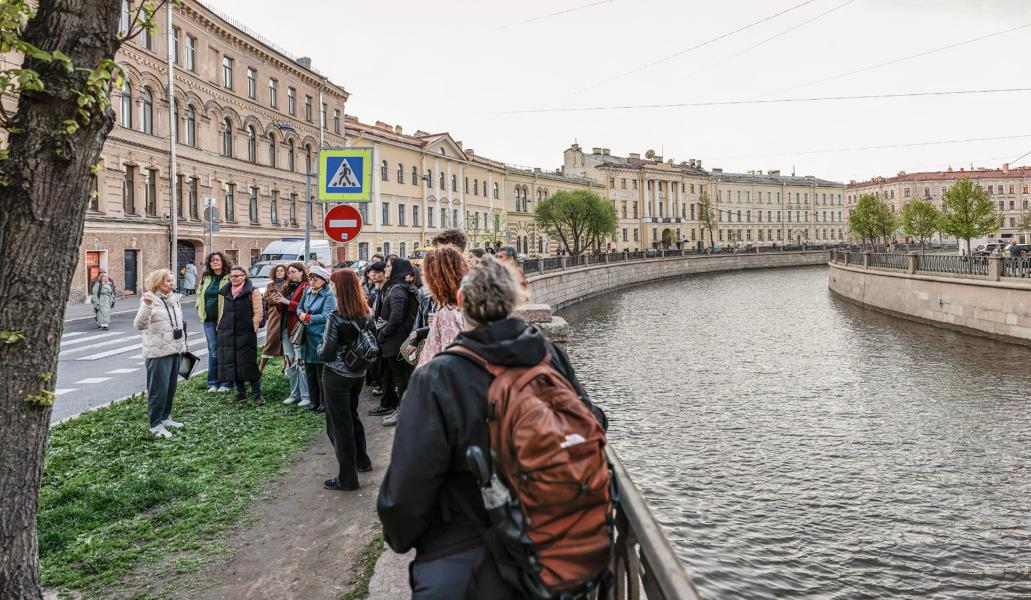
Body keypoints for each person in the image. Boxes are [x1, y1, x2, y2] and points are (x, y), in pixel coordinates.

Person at [377, 256, 606, 599]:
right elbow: (594, 422)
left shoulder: (437, 377)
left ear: (459, 302)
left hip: (465, 558)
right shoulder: (549, 356)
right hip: (551, 547)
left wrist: (402, 537)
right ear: (517, 302)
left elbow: (409, 483)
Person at [318, 269, 374, 491]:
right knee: (352, 416)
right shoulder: (367, 312)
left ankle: (347, 478)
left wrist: (318, 347)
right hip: (358, 372)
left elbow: (327, 352)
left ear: (340, 288)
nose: (331, 287)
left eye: (333, 284)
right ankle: (362, 460)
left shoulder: (336, 316)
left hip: (336, 375)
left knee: (338, 425)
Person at [134, 269, 188, 439]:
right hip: (157, 352)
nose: (172, 283)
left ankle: (165, 418)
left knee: (171, 387)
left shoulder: (174, 300)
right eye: (167, 281)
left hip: (175, 349)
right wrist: (148, 305)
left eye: (172, 280)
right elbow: (139, 325)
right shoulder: (150, 299)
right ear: (158, 283)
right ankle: (155, 424)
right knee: (158, 389)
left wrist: (183, 346)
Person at [376, 258, 420, 426]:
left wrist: (383, 334)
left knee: (401, 378)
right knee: (404, 377)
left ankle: (403, 412)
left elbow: (395, 317)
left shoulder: (396, 290)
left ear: (397, 270)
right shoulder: (407, 287)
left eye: (389, 266)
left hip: (397, 341)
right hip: (405, 339)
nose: (386, 268)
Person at [217, 266, 265, 406]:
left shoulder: (253, 291)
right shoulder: (227, 292)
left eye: (237, 276)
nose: (234, 278)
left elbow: (258, 312)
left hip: (246, 332)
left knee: (248, 363)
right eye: (231, 276)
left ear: (244, 276)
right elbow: (223, 311)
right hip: (228, 332)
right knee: (233, 362)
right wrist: (219, 326)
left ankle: (257, 393)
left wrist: (253, 327)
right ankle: (241, 393)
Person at [416, 247, 466, 367]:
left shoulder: (448, 312)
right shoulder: (450, 305)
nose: (422, 273)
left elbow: (452, 364)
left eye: (427, 270)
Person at [298, 265, 337, 413]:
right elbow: (299, 307)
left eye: (316, 278)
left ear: (324, 280)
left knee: (321, 372)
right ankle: (313, 401)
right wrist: (301, 314)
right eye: (310, 278)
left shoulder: (328, 295)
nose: (312, 281)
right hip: (306, 337)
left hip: (320, 337)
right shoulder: (307, 291)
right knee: (309, 371)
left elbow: (328, 316)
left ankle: (323, 402)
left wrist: (308, 317)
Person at [271, 262, 310, 406]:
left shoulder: (306, 286)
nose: (290, 274)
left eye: (293, 271)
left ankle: (306, 396)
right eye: (289, 272)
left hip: (298, 329)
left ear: (301, 272)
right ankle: (294, 394)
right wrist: (278, 301)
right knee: (290, 362)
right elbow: (283, 309)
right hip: (285, 328)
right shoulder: (287, 286)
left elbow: (305, 307)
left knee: (301, 362)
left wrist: (286, 301)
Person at [197, 252, 234, 393]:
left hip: (225, 320)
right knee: (213, 351)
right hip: (209, 320)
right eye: (212, 260)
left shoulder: (229, 277)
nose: (215, 262)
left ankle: (227, 382)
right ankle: (213, 383)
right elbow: (199, 293)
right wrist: (198, 307)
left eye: (217, 260)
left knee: (226, 351)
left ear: (223, 262)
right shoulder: (206, 277)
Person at [259, 264, 288, 374]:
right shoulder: (270, 285)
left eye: (281, 270)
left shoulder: (288, 285)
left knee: (286, 342)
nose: (279, 272)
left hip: (286, 316)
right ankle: (261, 368)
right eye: (277, 271)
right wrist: (272, 299)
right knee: (270, 342)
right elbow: (265, 299)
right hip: (274, 317)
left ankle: (286, 367)